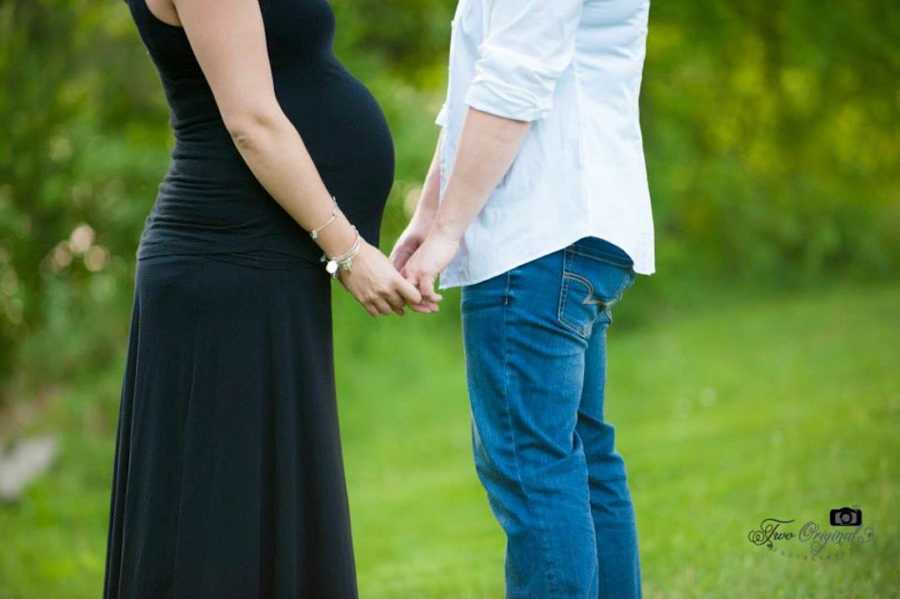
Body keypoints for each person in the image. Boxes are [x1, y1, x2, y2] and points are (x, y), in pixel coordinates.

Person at [104, 0, 436, 597]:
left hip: (264, 264)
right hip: (226, 266)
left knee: (267, 521)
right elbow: (251, 122)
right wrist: (348, 251)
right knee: (223, 535)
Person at [392, 0, 655, 597]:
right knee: (582, 457)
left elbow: (513, 79)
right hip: (582, 227)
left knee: (533, 467)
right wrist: (430, 213)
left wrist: (451, 229)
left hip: (534, 232)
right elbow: (479, 91)